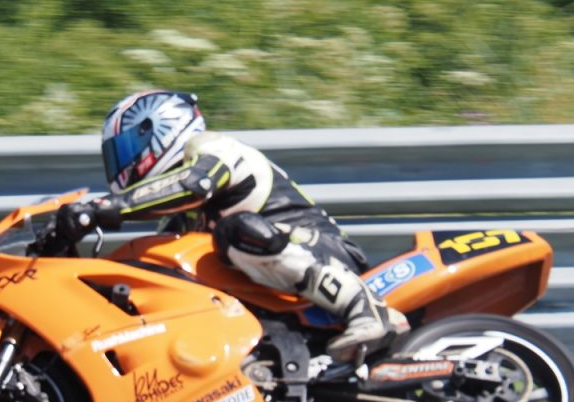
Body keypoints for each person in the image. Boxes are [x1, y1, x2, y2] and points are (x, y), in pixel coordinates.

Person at [55, 90, 405, 367]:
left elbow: (194, 184)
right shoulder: (180, 220)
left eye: (127, 149)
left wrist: (102, 208)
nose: (123, 163)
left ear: (157, 129)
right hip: (272, 295)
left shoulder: (213, 150)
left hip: (327, 252)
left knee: (236, 230)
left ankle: (367, 311)